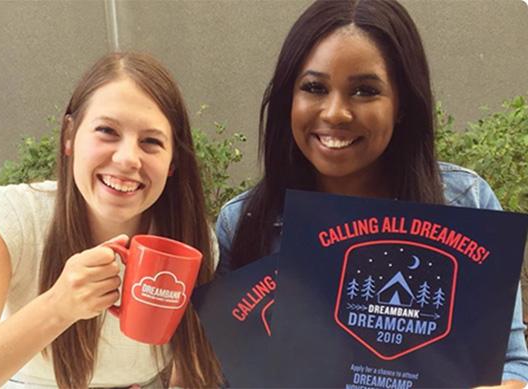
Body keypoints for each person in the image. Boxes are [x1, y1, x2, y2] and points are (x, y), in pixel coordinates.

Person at [215, 0, 528, 387]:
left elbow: (513, 364)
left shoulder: (467, 201)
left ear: (401, 104)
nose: (335, 113)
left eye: (364, 90)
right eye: (314, 87)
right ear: (287, 100)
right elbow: (223, 376)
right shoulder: (242, 224)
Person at [0, 52, 222, 388]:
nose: (128, 158)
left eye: (151, 142)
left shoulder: (192, 240)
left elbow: (191, 369)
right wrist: (59, 306)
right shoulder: (8, 218)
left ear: (172, 163)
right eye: (107, 131)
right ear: (70, 135)